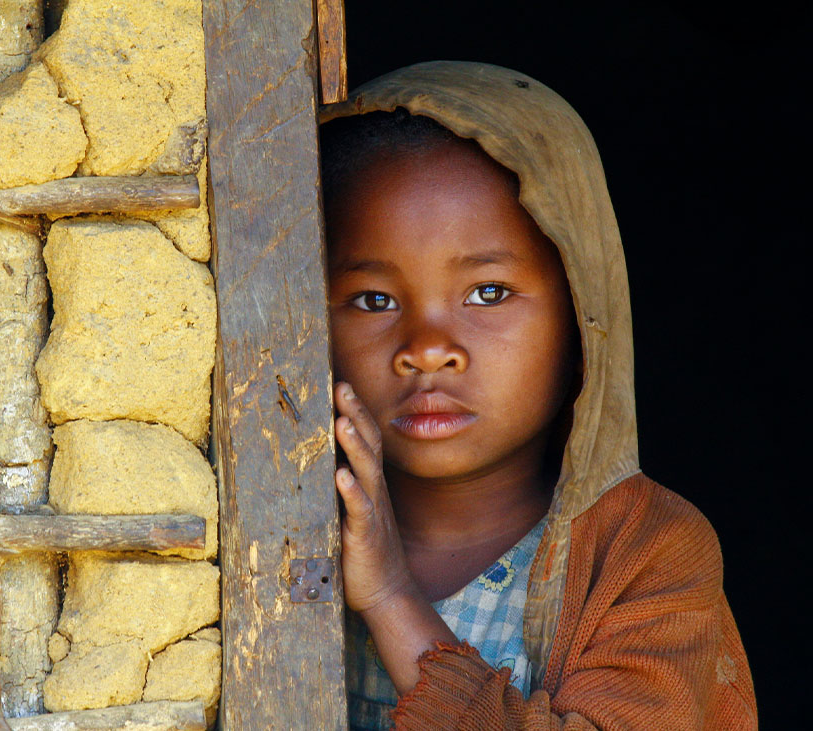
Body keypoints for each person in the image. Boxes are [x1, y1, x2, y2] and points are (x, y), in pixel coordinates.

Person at [320, 61, 756, 730]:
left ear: (583, 315)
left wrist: (387, 595)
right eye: (374, 299)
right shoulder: (282, 529)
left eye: (488, 293)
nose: (428, 345)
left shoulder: (647, 552)